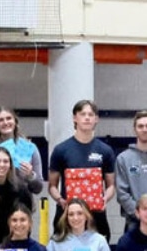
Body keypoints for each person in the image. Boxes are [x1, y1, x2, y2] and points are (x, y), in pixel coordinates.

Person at [48, 100, 116, 242]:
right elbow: (52, 186)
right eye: (82, 114)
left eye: (90, 114)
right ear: (75, 118)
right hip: (68, 214)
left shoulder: (105, 151)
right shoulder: (61, 150)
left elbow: (111, 186)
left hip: (96, 214)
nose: (87, 118)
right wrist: (60, 200)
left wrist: (104, 199)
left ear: (96, 119)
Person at [0, 106, 44, 195]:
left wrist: (30, 176)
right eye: (1, 120)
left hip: (23, 204)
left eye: (9, 118)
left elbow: (38, 188)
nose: (5, 122)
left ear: (15, 121)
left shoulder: (30, 148)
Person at [0, 146, 34, 248]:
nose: (2, 165)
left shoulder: (21, 191)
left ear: (10, 165)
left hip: (13, 247)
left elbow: (26, 223)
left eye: (5, 161)